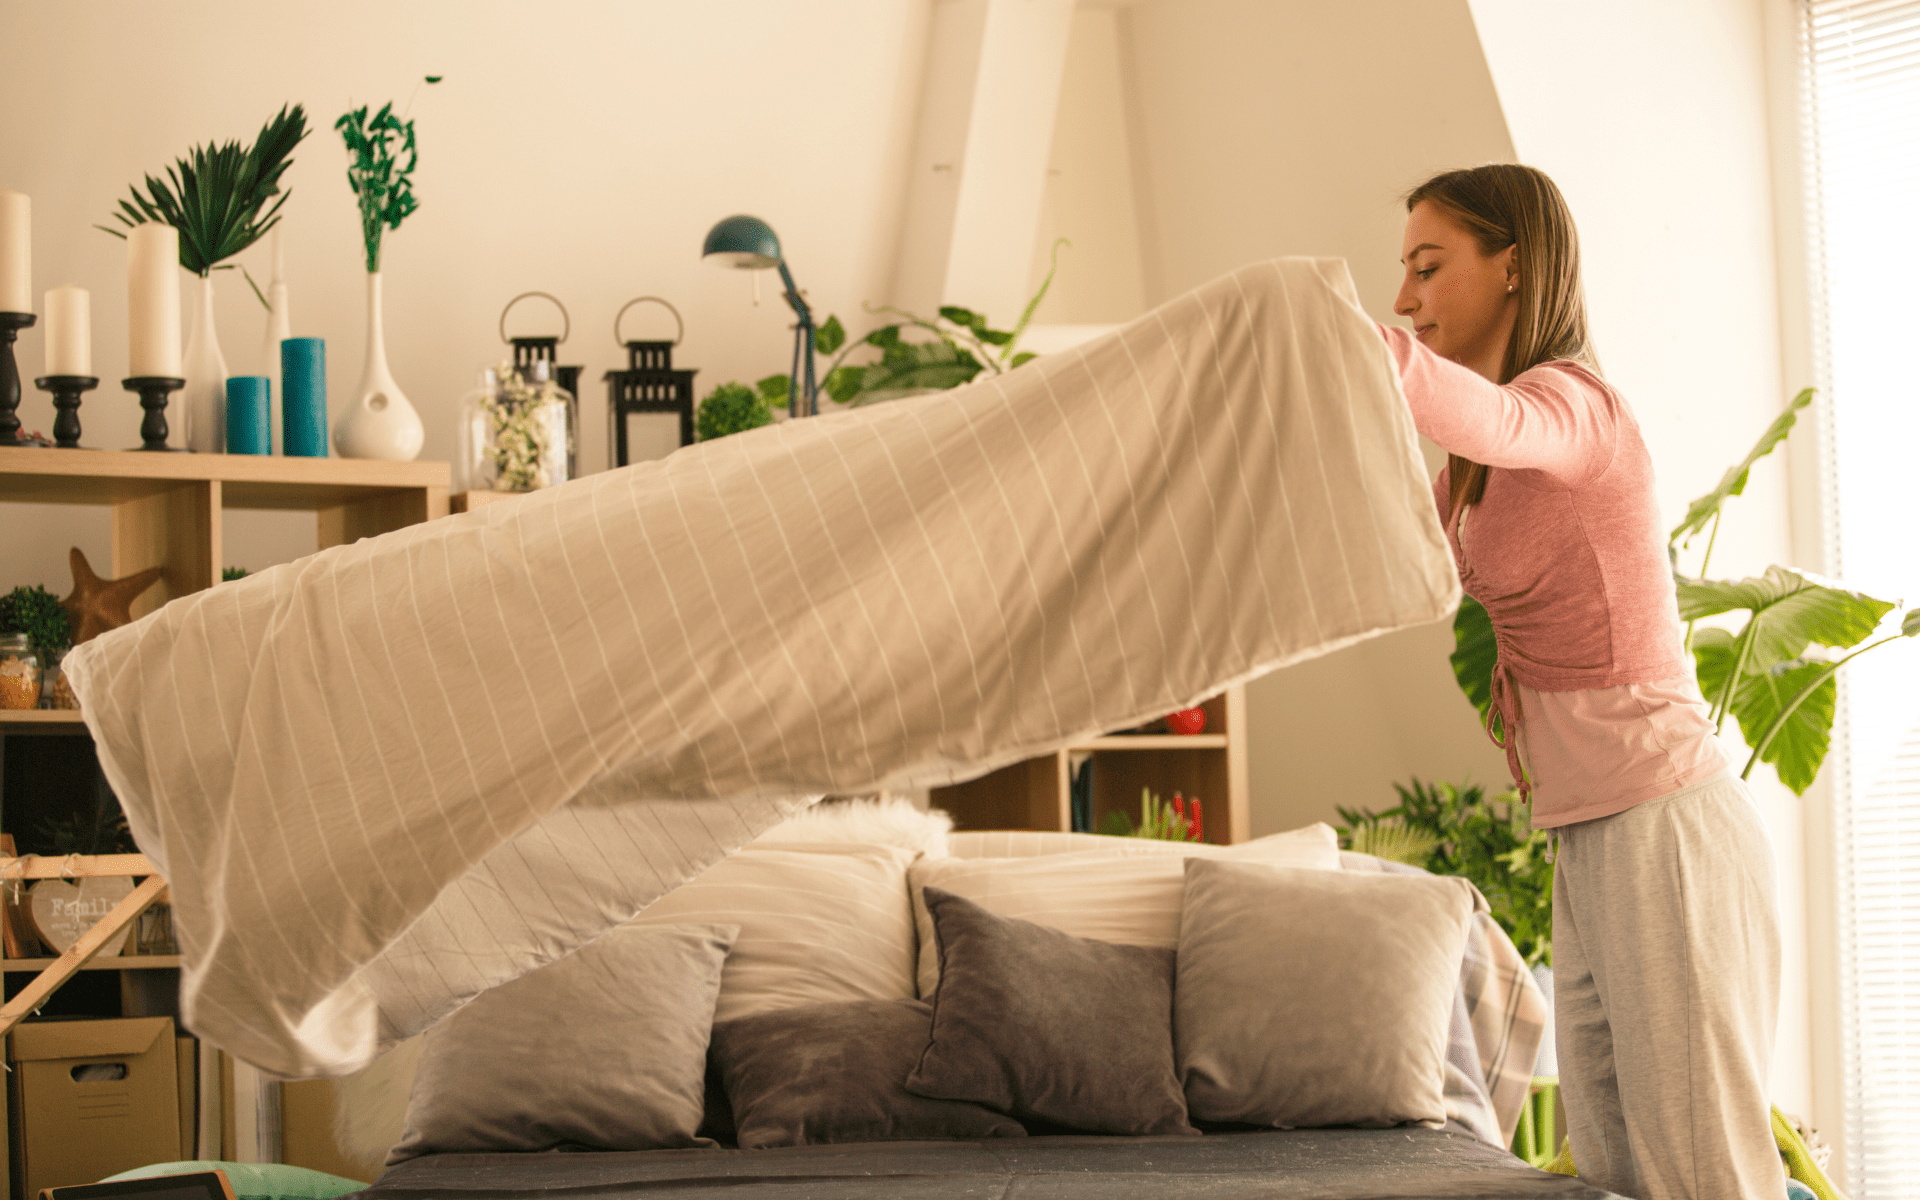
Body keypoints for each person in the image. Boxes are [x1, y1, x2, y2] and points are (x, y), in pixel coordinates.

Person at [1377, 163, 1782, 1200]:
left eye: (1429, 267)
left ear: (1513, 267)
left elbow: (1505, 422)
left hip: (1664, 823)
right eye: (1401, 276)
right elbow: (1393, 562)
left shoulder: (1573, 406)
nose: (1406, 298)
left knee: (1700, 1174)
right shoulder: (1470, 472)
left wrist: (1354, 351)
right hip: (1590, 835)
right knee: (1615, 1174)